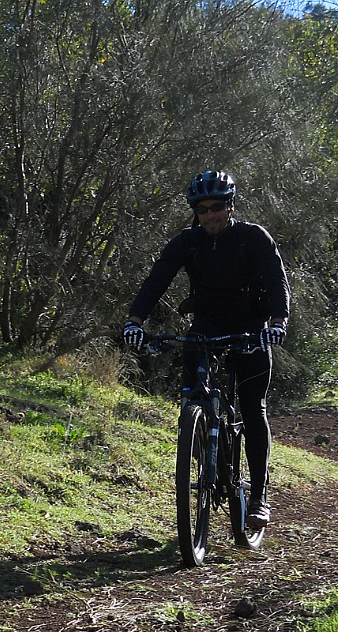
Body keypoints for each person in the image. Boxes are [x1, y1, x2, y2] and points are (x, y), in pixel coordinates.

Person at [122, 169, 291, 530]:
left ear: (230, 206)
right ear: (195, 213)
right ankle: (197, 440)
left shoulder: (253, 238)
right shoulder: (187, 242)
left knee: (251, 407)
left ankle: (259, 496)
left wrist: (278, 323)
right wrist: (134, 321)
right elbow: (157, 280)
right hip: (206, 327)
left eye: (216, 207)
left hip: (251, 329)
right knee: (192, 397)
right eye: (202, 209)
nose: (210, 215)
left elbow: (277, 281)